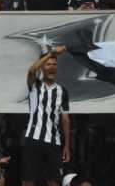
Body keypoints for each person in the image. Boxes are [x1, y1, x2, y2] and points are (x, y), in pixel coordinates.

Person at [22, 45, 71, 186]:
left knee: (54, 181)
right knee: (28, 181)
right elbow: (31, 71)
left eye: (54, 64)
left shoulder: (63, 91)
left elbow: (66, 120)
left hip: (54, 142)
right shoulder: (35, 86)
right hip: (33, 139)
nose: (51, 67)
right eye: (48, 64)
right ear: (42, 67)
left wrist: (67, 146)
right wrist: (52, 53)